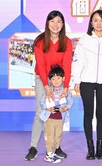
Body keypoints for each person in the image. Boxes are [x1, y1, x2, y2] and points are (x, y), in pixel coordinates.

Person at [25, 10, 72, 161]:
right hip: (42, 79)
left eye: (59, 21)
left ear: (63, 24)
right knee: (41, 112)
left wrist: (65, 86)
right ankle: (33, 147)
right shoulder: (39, 41)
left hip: (60, 81)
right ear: (47, 23)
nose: (55, 25)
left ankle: (56, 147)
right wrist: (47, 88)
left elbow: (67, 65)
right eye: (52, 21)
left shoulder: (67, 42)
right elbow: (42, 65)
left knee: (59, 113)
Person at [72, 9, 102, 160]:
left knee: (101, 114)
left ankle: (100, 149)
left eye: (101, 20)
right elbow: (78, 61)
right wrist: (76, 80)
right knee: (88, 114)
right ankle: (90, 149)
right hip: (87, 81)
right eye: (95, 20)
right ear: (91, 23)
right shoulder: (84, 39)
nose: (98, 23)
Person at [40, 65, 74, 163]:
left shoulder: (66, 91)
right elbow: (42, 102)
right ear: (50, 80)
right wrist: (48, 108)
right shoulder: (48, 91)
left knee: (58, 136)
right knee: (49, 136)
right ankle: (48, 154)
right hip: (49, 118)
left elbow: (71, 103)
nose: (56, 81)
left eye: (58, 78)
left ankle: (53, 152)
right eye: (53, 79)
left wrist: (65, 108)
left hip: (60, 118)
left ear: (63, 78)